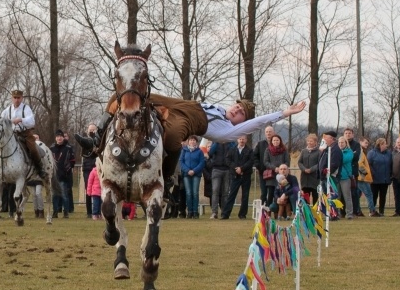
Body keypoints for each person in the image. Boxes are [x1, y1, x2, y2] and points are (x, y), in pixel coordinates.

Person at [77, 88, 305, 198]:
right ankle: (96, 139)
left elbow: (258, 122)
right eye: (238, 106)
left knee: (174, 136)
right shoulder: (219, 108)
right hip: (185, 104)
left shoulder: (230, 131)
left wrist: (284, 113)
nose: (237, 109)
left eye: (241, 112)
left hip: (191, 121)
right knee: (128, 95)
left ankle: (165, 179)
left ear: (242, 121)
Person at [0, 89, 46, 178]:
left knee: (33, 148)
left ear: (22, 98)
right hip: (11, 135)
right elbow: (1, 121)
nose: (16, 100)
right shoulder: (7, 110)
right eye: (15, 97)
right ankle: (1, 169)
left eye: (18, 98)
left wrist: (21, 120)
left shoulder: (26, 108)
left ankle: (40, 168)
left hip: (25, 134)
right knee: (0, 148)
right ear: (12, 98)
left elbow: (32, 122)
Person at [221, 136, 254, 220]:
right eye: (240, 139)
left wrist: (242, 168)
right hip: (235, 176)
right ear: (237, 140)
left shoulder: (250, 150)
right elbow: (227, 160)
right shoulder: (232, 149)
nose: (241, 140)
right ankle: (225, 214)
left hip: (246, 175)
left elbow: (250, 161)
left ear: (246, 140)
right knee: (231, 195)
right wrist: (236, 168)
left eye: (243, 139)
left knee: (245, 196)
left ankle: (242, 214)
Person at [51, 130, 75, 218]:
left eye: (61, 136)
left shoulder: (68, 148)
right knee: (55, 195)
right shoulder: (52, 148)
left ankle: (66, 212)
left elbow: (72, 161)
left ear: (63, 137)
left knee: (64, 195)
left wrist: (66, 170)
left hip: (64, 176)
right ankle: (55, 211)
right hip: (54, 176)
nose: (59, 138)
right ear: (55, 138)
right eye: (57, 136)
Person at [179, 135, 205, 219]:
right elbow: (181, 162)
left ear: (196, 142)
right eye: (191, 140)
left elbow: (201, 163)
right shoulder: (184, 151)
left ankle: (195, 212)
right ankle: (189, 212)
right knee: (188, 193)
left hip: (196, 175)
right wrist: (187, 170)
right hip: (186, 175)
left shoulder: (199, 152)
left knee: (195, 193)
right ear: (188, 142)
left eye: (194, 140)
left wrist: (194, 171)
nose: (192, 142)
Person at [208, 140, 235, 219]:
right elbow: (210, 153)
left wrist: (229, 141)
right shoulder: (215, 142)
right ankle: (214, 212)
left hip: (227, 170)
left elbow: (234, 150)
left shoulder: (230, 142)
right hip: (216, 169)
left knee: (225, 193)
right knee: (215, 191)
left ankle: (224, 212)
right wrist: (216, 142)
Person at [261, 134, 290, 208]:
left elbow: (287, 161)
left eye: (277, 140)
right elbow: (266, 162)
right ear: (271, 141)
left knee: (281, 193)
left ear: (280, 141)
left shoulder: (284, 150)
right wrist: (274, 168)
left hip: (282, 176)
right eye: (274, 140)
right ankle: (268, 211)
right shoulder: (268, 150)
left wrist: (281, 169)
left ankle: (280, 213)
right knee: (270, 194)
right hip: (271, 175)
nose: (276, 141)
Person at [368, 138, 391, 216]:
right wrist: (372, 173)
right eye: (385, 144)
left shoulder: (388, 154)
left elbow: (390, 164)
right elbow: (369, 164)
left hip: (385, 179)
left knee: (383, 196)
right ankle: (372, 210)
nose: (386, 145)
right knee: (374, 195)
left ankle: (381, 211)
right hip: (375, 179)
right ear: (380, 144)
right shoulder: (372, 153)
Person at [80, 123, 99, 219]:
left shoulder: (99, 140)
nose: (91, 131)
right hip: (87, 168)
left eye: (93, 129)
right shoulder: (84, 141)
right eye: (90, 129)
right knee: (88, 189)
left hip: (97, 167)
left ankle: (98, 210)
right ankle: (89, 212)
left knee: (99, 189)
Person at [253, 126, 276, 203]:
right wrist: (258, 166)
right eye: (267, 132)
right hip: (263, 172)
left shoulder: (277, 143)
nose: (268, 133)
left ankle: (271, 210)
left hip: (274, 172)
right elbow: (254, 155)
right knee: (263, 192)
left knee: (272, 192)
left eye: (270, 131)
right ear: (265, 133)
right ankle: (263, 211)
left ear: (273, 132)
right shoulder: (260, 144)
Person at [357, 137, 377, 216]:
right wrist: (365, 173)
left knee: (357, 194)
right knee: (369, 194)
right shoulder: (361, 152)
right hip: (362, 178)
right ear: (360, 142)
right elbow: (360, 164)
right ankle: (372, 210)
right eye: (365, 143)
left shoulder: (361, 151)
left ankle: (358, 210)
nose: (367, 145)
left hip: (358, 177)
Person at [297, 134, 320, 204]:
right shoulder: (304, 151)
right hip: (304, 178)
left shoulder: (319, 152)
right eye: (308, 141)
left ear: (315, 142)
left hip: (314, 178)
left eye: (311, 141)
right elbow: (299, 162)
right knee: (305, 196)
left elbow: (319, 163)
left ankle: (315, 212)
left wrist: (311, 169)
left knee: (315, 195)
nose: (309, 143)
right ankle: (306, 212)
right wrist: (304, 169)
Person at [337, 137, 354, 219]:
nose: (341, 144)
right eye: (339, 142)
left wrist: (335, 157)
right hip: (336, 177)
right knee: (337, 197)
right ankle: (337, 213)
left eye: (342, 142)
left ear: (346, 143)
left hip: (345, 177)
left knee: (347, 196)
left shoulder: (349, 152)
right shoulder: (336, 151)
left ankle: (349, 213)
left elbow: (342, 160)